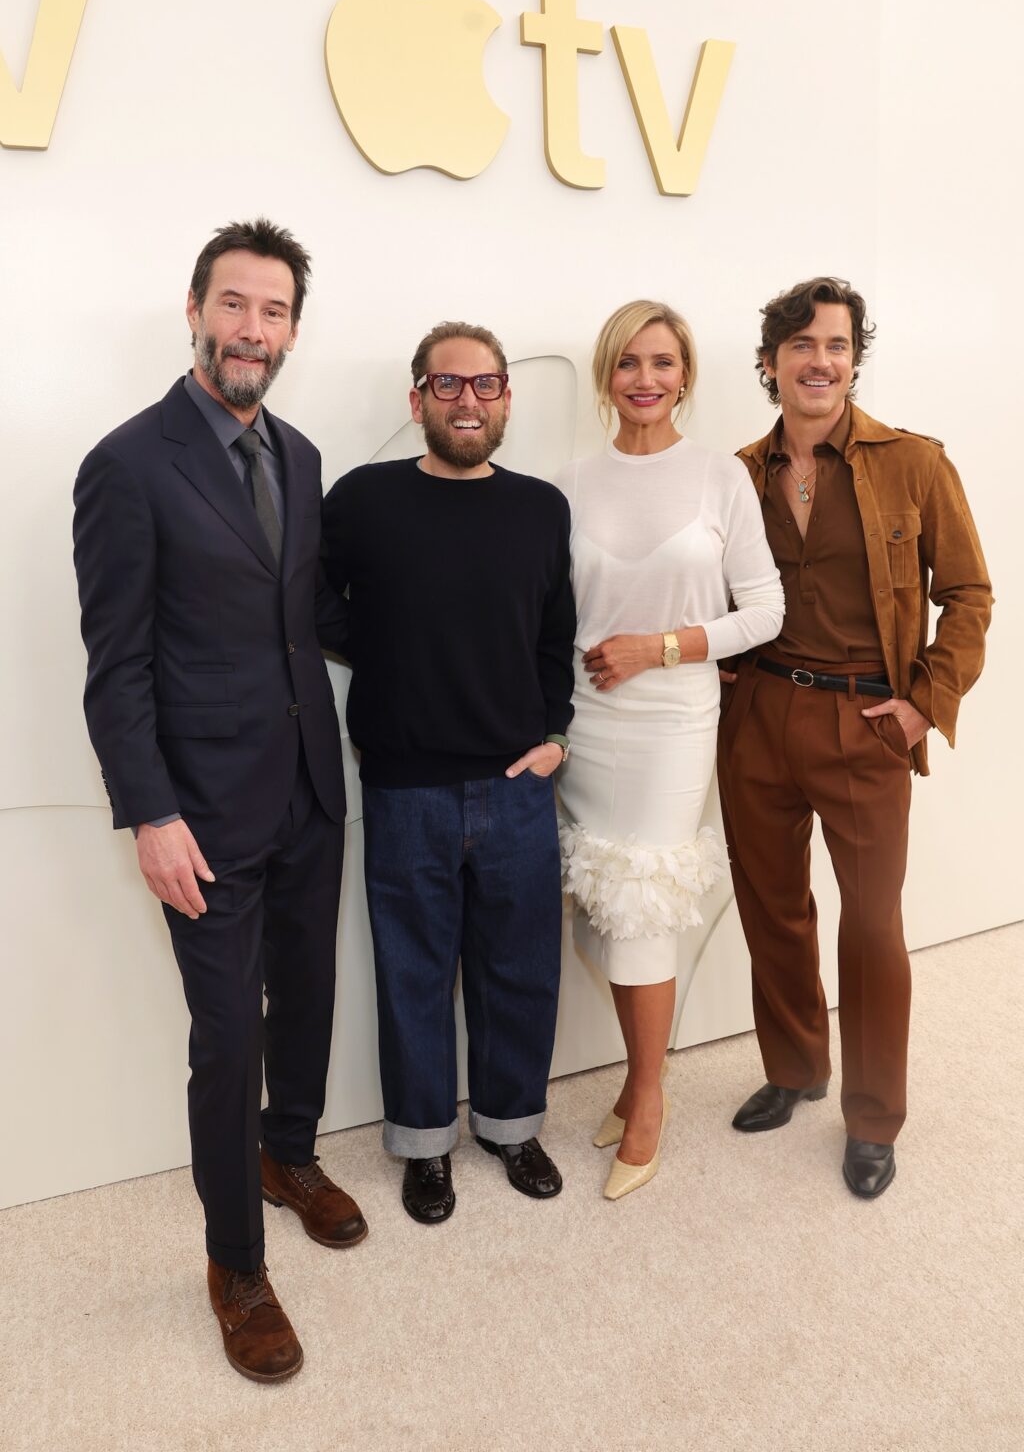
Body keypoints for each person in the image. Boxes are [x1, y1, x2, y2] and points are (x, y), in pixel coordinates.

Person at [73, 219, 365, 1384]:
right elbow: (116, 667)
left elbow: (308, 618)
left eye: (274, 311)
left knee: (308, 996)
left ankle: (287, 1155)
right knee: (227, 1036)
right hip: (198, 812)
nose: (252, 328)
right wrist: (150, 814)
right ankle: (234, 1266)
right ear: (194, 311)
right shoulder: (128, 464)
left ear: (292, 330)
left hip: (308, 787)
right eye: (234, 304)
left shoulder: (301, 454)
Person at [718, 276, 992, 1198]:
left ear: (854, 359)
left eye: (835, 345)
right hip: (758, 715)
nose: (819, 361)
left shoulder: (913, 462)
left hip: (866, 720)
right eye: (800, 345)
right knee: (773, 907)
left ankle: (874, 1117)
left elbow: (970, 594)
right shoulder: (736, 473)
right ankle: (796, 1067)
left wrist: (923, 701)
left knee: (872, 927)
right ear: (770, 363)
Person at [321, 322, 575, 1225]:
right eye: (448, 383)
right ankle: (424, 1144)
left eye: (485, 384)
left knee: (519, 970)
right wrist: (389, 650)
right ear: (418, 397)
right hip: (404, 786)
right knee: (414, 974)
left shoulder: (541, 507)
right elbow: (310, 599)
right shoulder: (363, 498)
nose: (468, 399)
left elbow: (554, 634)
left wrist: (556, 735)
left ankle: (510, 1126)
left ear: (506, 398)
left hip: (517, 781)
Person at [555, 300, 784, 1199]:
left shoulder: (720, 478)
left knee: (643, 907)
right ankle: (634, 1079)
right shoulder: (570, 483)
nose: (644, 379)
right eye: (627, 362)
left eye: (661, 362)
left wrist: (661, 648)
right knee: (605, 910)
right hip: (586, 720)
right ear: (606, 376)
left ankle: (649, 1098)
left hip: (673, 723)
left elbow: (765, 611)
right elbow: (553, 615)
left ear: (684, 374)